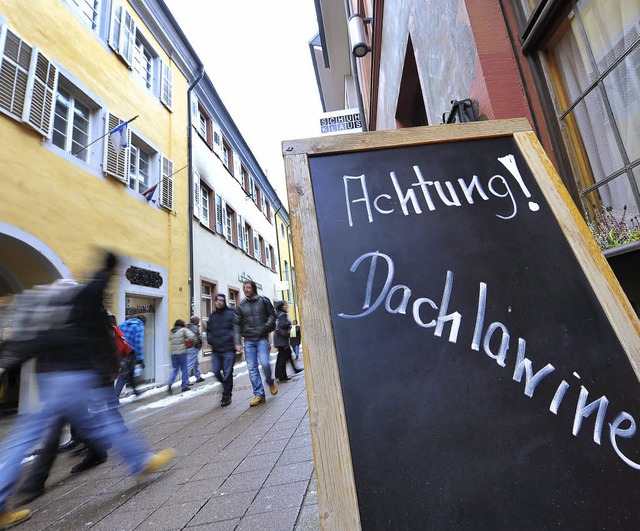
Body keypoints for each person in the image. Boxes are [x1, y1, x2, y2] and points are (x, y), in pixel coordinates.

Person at [0, 252, 175, 528]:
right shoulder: (80, 303)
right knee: (107, 420)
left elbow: (27, 342)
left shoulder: (47, 310)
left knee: (25, 436)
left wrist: (5, 364)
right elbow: (95, 294)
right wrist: (108, 266)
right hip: (75, 374)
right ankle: (140, 462)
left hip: (49, 376)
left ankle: (2, 501)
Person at [233, 281, 277, 406]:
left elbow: (272, 317)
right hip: (248, 340)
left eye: (248, 287)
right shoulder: (241, 306)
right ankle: (259, 395)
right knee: (252, 369)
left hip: (262, 338)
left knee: (264, 363)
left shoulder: (264, 301)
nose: (245, 290)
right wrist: (237, 342)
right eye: (244, 288)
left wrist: (264, 328)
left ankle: (270, 382)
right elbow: (236, 325)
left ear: (254, 288)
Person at [206, 294, 236, 407]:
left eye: (221, 300)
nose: (219, 302)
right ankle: (226, 386)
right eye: (217, 300)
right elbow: (208, 330)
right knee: (215, 371)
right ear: (214, 302)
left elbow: (236, 328)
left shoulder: (231, 313)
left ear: (224, 301)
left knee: (228, 373)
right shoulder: (212, 316)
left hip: (228, 348)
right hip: (216, 349)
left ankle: (227, 395)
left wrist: (233, 340)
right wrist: (210, 340)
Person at [113, 315, 146, 399]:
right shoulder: (139, 326)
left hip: (120, 352)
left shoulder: (123, 324)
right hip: (130, 353)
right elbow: (138, 343)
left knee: (129, 372)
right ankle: (114, 398)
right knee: (124, 375)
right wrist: (140, 359)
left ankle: (135, 391)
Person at [167, 319, 196, 394]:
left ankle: (170, 384)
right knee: (184, 369)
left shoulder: (172, 332)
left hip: (173, 354)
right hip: (182, 353)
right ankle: (184, 386)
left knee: (175, 370)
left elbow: (170, 339)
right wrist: (192, 343)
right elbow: (192, 336)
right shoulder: (184, 330)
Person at [274, 301, 297, 382]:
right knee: (283, 358)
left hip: (277, 339)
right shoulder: (283, 314)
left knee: (281, 356)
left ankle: (278, 374)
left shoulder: (277, 314)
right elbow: (283, 325)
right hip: (282, 339)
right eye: (285, 305)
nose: (286, 307)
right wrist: (289, 322)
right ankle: (282, 376)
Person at [186, 316, 204, 384]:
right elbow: (196, 338)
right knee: (190, 364)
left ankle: (198, 377)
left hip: (189, 347)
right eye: (198, 320)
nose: (199, 321)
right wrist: (199, 343)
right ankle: (185, 380)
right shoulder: (194, 327)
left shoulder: (188, 327)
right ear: (195, 321)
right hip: (193, 347)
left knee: (196, 363)